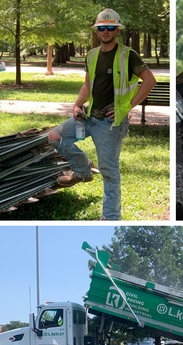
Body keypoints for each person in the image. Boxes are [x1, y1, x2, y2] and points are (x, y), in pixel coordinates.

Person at [47, 9, 156, 220]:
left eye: (110, 28)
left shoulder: (127, 55)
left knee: (109, 171)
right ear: (97, 31)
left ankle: (111, 217)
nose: (105, 31)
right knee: (55, 137)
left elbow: (150, 81)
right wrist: (77, 105)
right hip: (89, 118)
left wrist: (126, 107)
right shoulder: (92, 54)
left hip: (110, 123)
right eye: (102, 28)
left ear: (117, 31)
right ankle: (83, 171)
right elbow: (88, 85)